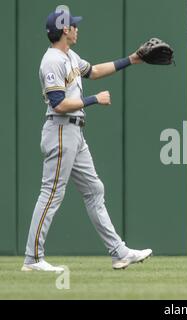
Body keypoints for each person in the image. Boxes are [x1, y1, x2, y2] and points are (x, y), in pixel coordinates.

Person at [22, 7, 153, 272]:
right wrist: (94, 99)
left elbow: (93, 71)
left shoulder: (69, 56)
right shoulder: (52, 61)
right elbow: (58, 104)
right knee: (51, 194)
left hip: (75, 133)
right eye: (73, 25)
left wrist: (132, 59)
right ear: (64, 30)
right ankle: (33, 258)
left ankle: (119, 252)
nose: (77, 28)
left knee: (95, 191)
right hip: (60, 129)